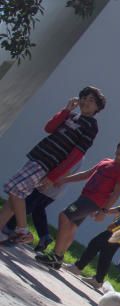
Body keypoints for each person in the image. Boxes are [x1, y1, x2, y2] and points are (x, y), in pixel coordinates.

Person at [0, 86, 104, 245]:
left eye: (91, 100)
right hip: (38, 155)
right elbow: (49, 128)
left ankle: (23, 231)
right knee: (13, 200)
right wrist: (66, 110)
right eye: (83, 97)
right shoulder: (71, 116)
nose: (85, 102)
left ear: (97, 107)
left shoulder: (91, 126)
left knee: (16, 190)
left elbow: (76, 155)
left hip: (47, 164)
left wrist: (54, 176)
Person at [35, 138, 120, 270]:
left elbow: (116, 194)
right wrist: (64, 180)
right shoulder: (105, 161)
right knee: (71, 225)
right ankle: (58, 257)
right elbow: (86, 174)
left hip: (92, 202)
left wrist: (103, 212)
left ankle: (55, 255)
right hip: (85, 197)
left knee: (64, 216)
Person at [66, 182, 120, 288]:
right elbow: (117, 210)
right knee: (105, 255)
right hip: (114, 230)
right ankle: (98, 280)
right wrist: (102, 210)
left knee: (95, 243)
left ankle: (78, 267)